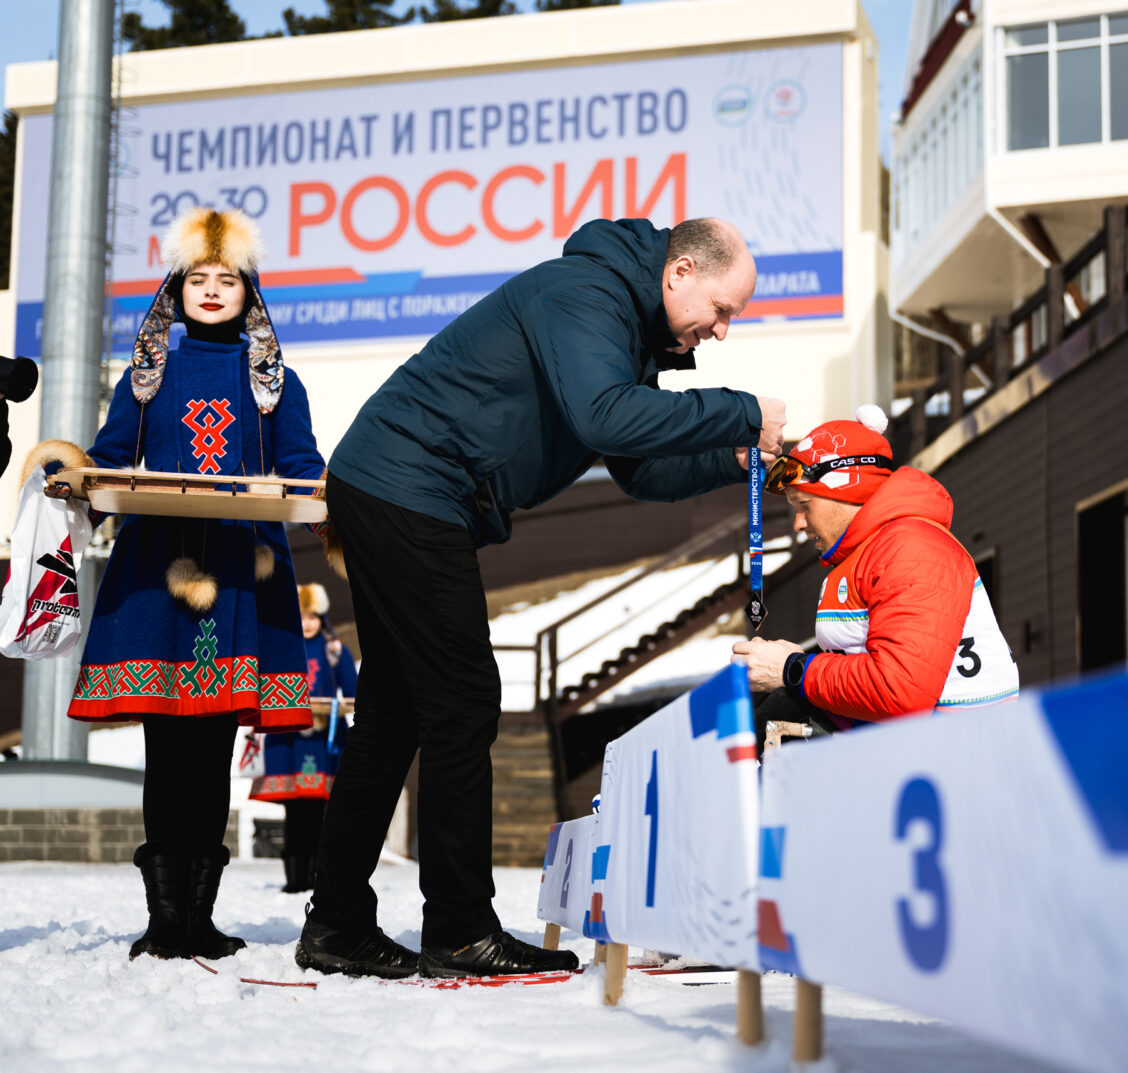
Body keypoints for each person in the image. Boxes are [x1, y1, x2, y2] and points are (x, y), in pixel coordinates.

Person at [297, 216, 787, 980]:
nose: (722, 331)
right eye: (723, 310)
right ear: (681, 272)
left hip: (396, 486)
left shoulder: (625, 328)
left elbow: (636, 466)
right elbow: (604, 414)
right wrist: (743, 409)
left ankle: (337, 923)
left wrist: (733, 458)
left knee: (395, 714)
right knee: (462, 699)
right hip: (408, 484)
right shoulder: (587, 294)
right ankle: (459, 929)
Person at [24, 207, 329, 960]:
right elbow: (107, 458)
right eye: (199, 278)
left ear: (249, 291)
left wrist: (333, 495)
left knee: (213, 746)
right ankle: (166, 921)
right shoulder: (145, 377)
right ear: (177, 289)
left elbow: (301, 465)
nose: (213, 289)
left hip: (241, 573)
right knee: (167, 748)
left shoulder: (278, 383)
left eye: (228, 278)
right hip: (156, 575)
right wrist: (70, 478)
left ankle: (200, 917)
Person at [733, 405, 1019, 738]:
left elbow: (901, 690)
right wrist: (793, 663)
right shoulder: (873, 550)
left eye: (804, 505)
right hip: (925, 746)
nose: (798, 524)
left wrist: (791, 668)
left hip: (954, 753)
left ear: (846, 490)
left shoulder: (911, 549)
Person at [247, 582, 356, 894]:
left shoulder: (335, 650)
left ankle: (319, 877)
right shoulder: (281, 646)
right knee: (294, 810)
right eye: (301, 616)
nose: (307, 623)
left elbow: (352, 690)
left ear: (321, 617)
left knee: (320, 812)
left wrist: (334, 707)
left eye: (312, 616)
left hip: (323, 741)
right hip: (287, 738)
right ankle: (295, 878)